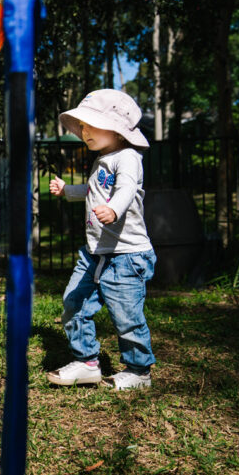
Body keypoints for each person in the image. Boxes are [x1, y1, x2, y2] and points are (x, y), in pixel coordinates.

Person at [46, 89, 157, 390]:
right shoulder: (102, 159)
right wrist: (68, 190)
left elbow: (126, 189)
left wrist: (114, 208)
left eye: (92, 124)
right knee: (73, 302)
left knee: (126, 314)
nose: (84, 131)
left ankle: (138, 371)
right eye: (82, 126)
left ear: (118, 130)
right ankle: (87, 362)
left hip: (126, 254)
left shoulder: (128, 157)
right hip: (95, 252)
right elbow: (95, 191)